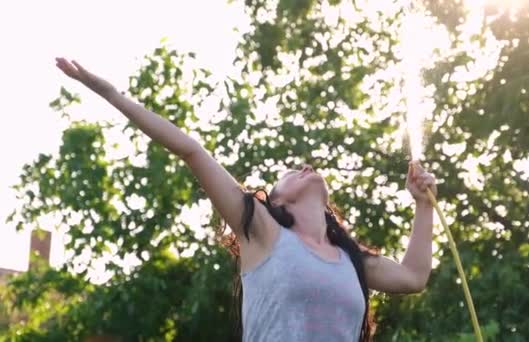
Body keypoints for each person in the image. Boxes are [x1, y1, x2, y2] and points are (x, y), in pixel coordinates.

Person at [55, 57, 437, 342]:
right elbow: (190, 149)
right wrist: (109, 93)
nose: (303, 166)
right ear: (278, 201)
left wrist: (422, 204)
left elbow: (413, 276)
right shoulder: (262, 231)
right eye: (287, 174)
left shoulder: (351, 260)